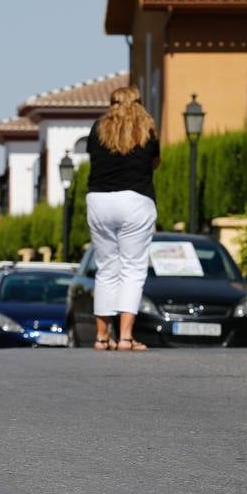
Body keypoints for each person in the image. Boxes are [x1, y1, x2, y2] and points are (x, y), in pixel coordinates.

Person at [85, 86, 160, 351]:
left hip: (100, 200)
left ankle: (102, 337)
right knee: (132, 269)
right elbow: (155, 162)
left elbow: (94, 157)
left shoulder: (98, 128)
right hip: (136, 201)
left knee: (106, 268)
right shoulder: (147, 128)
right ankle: (126, 337)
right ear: (138, 102)